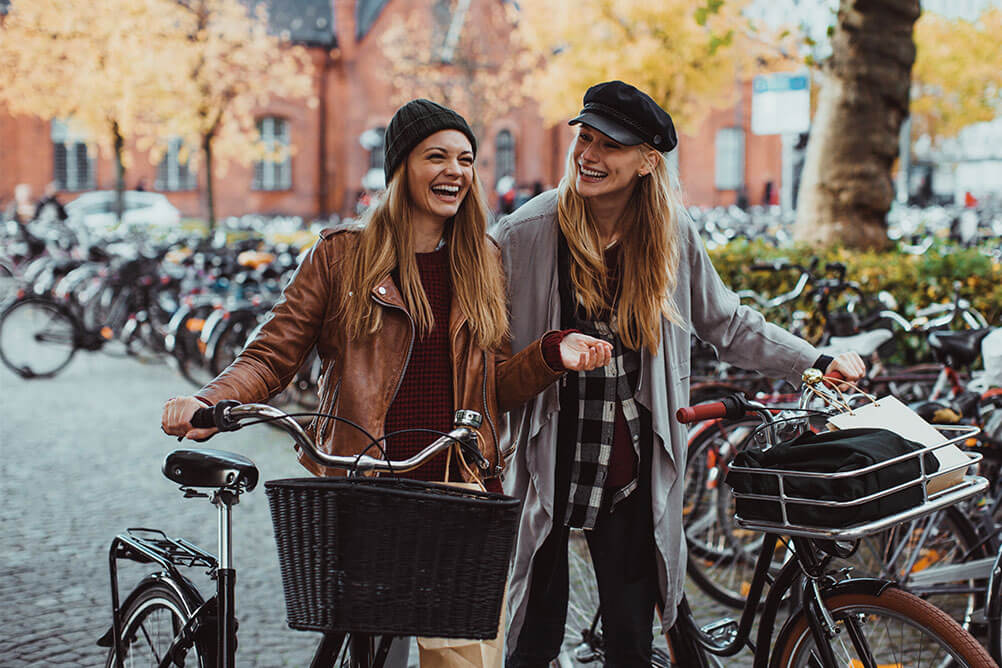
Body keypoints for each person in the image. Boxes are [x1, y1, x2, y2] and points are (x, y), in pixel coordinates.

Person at [160, 98, 612, 668]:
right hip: (366, 487)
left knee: (463, 661)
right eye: (437, 157)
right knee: (376, 656)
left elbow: (492, 386)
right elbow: (273, 356)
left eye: (466, 159)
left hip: (458, 489)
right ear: (400, 168)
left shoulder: (482, 262)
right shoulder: (341, 256)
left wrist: (552, 353)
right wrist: (210, 400)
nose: (456, 171)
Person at [494, 80, 866, 667]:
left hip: (628, 466)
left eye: (609, 144)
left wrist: (815, 360)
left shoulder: (669, 233)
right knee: (530, 634)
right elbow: (482, 344)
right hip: (548, 458)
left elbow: (730, 323)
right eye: (584, 138)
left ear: (647, 161)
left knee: (630, 636)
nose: (588, 155)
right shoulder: (526, 233)